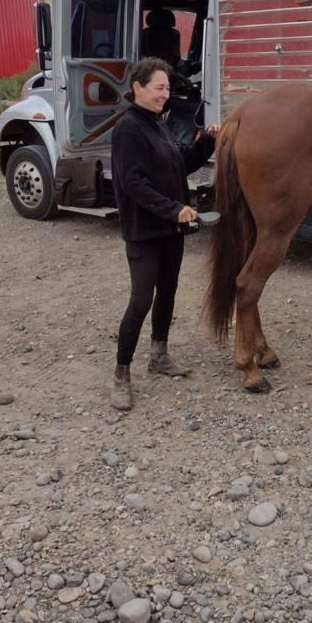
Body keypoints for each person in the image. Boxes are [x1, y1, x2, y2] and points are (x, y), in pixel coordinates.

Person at [110, 57, 218, 411]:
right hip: (144, 231)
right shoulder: (129, 129)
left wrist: (206, 144)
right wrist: (174, 208)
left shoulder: (159, 124)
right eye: (159, 88)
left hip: (171, 228)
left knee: (168, 291)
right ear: (138, 87)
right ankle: (121, 375)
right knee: (141, 300)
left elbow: (180, 163)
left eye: (168, 89)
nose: (165, 94)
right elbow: (133, 183)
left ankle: (159, 355)